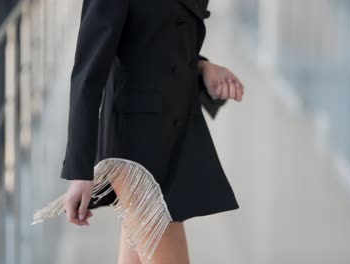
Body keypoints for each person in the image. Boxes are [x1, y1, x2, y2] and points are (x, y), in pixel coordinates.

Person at [32, 0, 243, 264]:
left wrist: (203, 68)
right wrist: (80, 171)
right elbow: (88, 76)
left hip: (176, 136)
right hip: (136, 149)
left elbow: (163, 39)